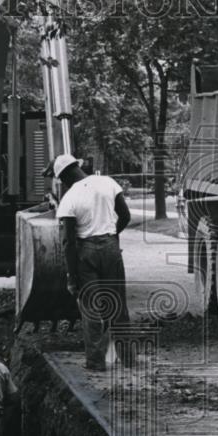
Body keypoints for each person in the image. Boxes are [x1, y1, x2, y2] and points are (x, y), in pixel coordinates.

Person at [45, 154, 132, 371]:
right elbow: (126, 215)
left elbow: (68, 242)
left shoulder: (70, 198)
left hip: (86, 251)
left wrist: (72, 278)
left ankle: (95, 362)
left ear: (63, 177)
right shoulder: (108, 182)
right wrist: (111, 237)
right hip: (111, 248)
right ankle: (128, 359)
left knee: (91, 309)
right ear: (78, 167)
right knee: (118, 306)